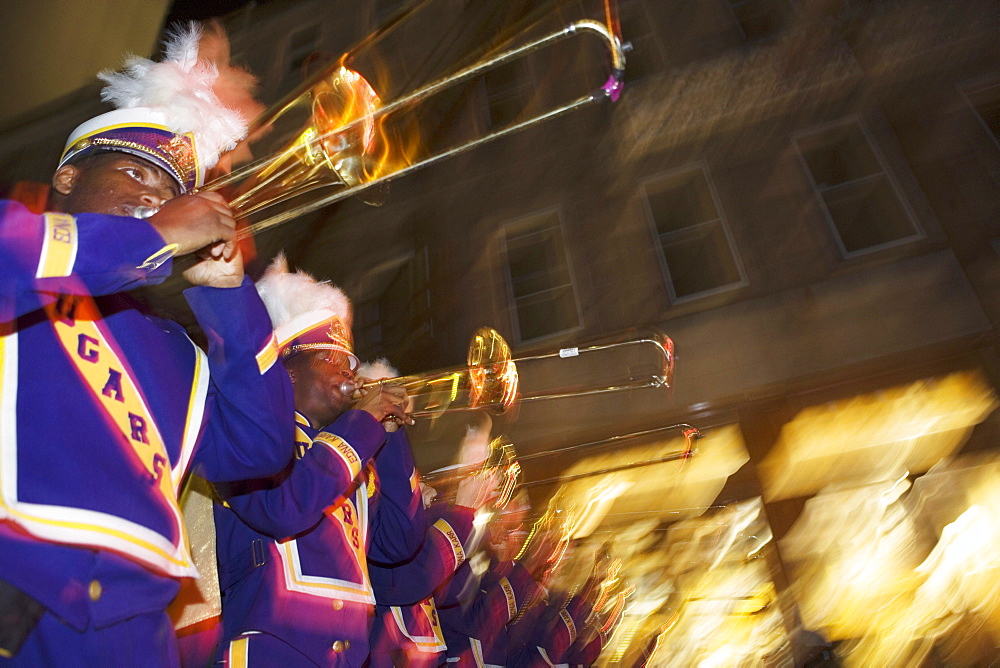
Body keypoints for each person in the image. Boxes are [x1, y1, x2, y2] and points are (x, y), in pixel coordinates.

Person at [0, 23, 293, 666]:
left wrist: (226, 292)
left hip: (137, 634)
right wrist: (157, 234)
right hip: (20, 604)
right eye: (134, 171)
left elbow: (261, 448)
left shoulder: (175, 350)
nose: (152, 197)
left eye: (168, 193)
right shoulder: (20, 248)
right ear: (69, 179)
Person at [214, 257, 425, 666]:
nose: (350, 372)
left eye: (351, 361)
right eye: (331, 358)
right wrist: (362, 423)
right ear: (287, 372)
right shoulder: (249, 429)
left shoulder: (350, 455)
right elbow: (281, 507)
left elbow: (399, 542)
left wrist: (391, 436)